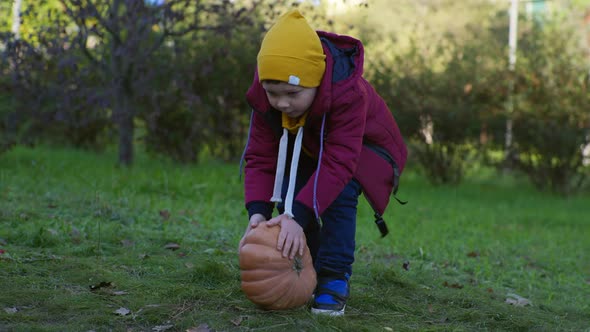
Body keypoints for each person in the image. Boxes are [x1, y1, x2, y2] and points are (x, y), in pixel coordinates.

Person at [238, 9, 407, 316]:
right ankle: (309, 267)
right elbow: (261, 155)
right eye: (273, 94)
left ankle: (333, 278)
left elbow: (339, 163)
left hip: (363, 152)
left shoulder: (348, 94)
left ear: (316, 82)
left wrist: (297, 215)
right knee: (288, 196)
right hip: (311, 144)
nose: (282, 103)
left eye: (292, 93)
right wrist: (258, 212)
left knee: (337, 199)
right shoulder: (267, 96)